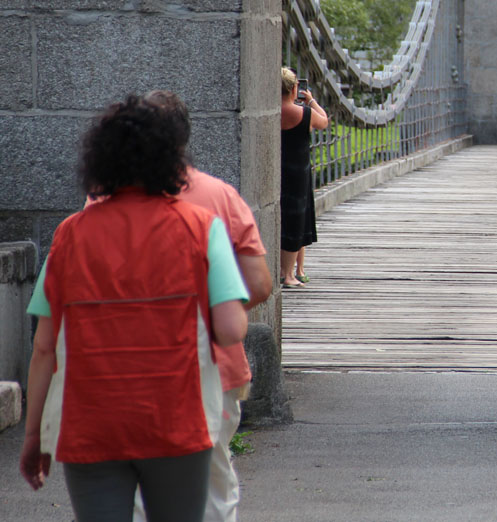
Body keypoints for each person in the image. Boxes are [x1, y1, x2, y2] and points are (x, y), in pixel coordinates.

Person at [19, 95, 249, 521]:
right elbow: (232, 329)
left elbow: (45, 346)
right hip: (176, 417)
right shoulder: (202, 229)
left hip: (91, 421)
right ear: (173, 158)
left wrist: (35, 435)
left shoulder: (70, 235)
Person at [129, 92, 271, 522]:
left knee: (139, 492)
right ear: (185, 137)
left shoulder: (102, 202)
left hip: (129, 366)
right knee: (213, 488)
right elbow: (259, 284)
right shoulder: (220, 197)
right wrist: (210, 312)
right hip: (214, 366)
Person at [281, 68, 329, 288]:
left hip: (278, 171)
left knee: (286, 220)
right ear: (294, 89)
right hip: (299, 173)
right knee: (297, 221)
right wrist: (310, 101)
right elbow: (324, 121)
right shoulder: (303, 113)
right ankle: (288, 275)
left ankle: (295, 270)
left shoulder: (271, 111)